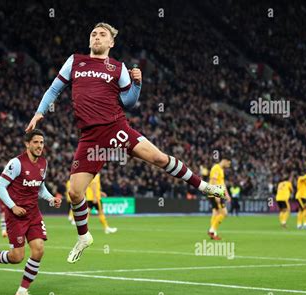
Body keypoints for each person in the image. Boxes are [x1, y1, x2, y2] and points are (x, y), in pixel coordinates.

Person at [26, 22, 226, 263]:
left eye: (102, 34)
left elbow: (129, 102)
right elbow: (54, 89)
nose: (96, 37)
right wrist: (39, 112)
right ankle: (84, 236)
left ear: (111, 42)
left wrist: (138, 84)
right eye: (93, 34)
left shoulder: (117, 67)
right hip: (90, 138)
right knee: (75, 192)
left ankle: (204, 187)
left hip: (115, 128)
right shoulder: (75, 61)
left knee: (159, 158)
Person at [0, 130, 62, 295]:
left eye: (42, 142)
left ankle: (22, 291)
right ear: (27, 144)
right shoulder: (16, 163)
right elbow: (0, 187)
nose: (39, 146)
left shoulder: (44, 163)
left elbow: (40, 188)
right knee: (17, 257)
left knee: (38, 249)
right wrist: (13, 207)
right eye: (36, 142)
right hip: (16, 215)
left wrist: (51, 198)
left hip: (33, 214)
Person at [207, 159, 231, 240]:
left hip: (218, 192)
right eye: (228, 163)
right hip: (215, 192)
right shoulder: (216, 168)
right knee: (224, 213)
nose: (229, 165)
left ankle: (213, 233)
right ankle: (211, 230)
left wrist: (227, 194)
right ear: (224, 161)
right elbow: (213, 180)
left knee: (216, 212)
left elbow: (222, 183)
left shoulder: (221, 169)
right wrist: (216, 194)